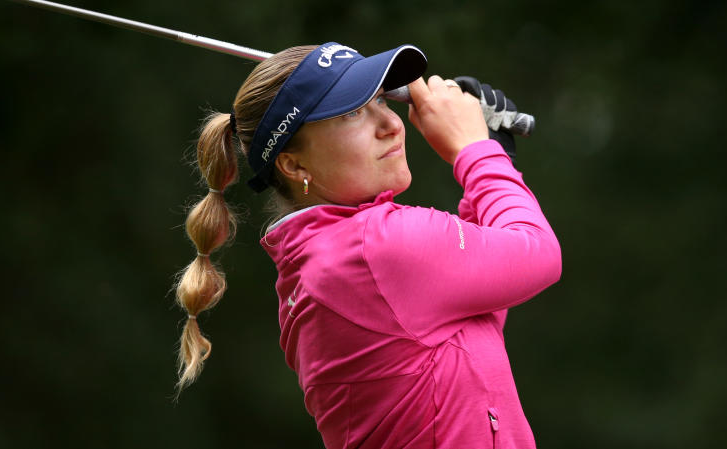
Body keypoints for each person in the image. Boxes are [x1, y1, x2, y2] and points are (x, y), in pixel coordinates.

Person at [173, 42, 561, 449]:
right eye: (353, 112)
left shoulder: (333, 255)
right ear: (294, 164)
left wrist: (491, 159)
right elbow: (538, 253)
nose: (391, 124)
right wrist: (477, 153)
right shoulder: (373, 247)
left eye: (380, 100)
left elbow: (475, 311)